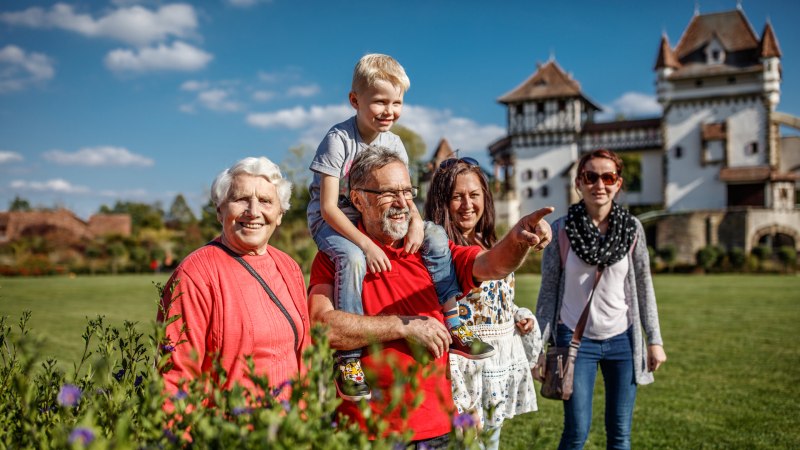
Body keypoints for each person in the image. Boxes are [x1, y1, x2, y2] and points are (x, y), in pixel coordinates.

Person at [308, 146, 553, 448]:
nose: (402, 203)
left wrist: (517, 240)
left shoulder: (431, 251)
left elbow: (491, 265)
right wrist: (403, 326)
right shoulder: (337, 257)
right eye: (388, 193)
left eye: (407, 191)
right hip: (366, 432)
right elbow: (323, 328)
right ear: (359, 198)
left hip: (437, 429)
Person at [307, 53, 492, 401]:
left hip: (367, 216)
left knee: (436, 234)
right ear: (354, 100)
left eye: (397, 102)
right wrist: (366, 244)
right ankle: (348, 359)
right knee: (353, 258)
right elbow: (329, 207)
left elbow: (404, 195)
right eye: (379, 101)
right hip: (332, 221)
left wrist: (418, 223)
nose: (389, 111)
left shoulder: (393, 142)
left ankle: (454, 320)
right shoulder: (338, 140)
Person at [532, 149, 667, 450]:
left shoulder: (632, 230)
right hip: (574, 340)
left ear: (618, 183)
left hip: (622, 339)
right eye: (591, 177)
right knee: (576, 432)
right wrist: (537, 348)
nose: (599, 185)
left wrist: (654, 339)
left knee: (620, 435)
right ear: (579, 182)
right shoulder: (561, 231)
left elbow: (644, 287)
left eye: (608, 177)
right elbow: (548, 291)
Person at [158, 157, 310, 398]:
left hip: (291, 428)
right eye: (240, 199)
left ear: (280, 213)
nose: (253, 212)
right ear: (220, 210)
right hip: (230, 429)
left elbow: (304, 355)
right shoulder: (195, 274)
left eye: (266, 201)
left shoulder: (289, 268)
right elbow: (175, 375)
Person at [424, 157, 543, 450]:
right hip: (464, 377)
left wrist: (517, 315)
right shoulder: (437, 250)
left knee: (491, 445)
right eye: (457, 196)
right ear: (442, 201)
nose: (467, 204)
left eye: (474, 195)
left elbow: (492, 300)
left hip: (494, 373)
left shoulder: (484, 239)